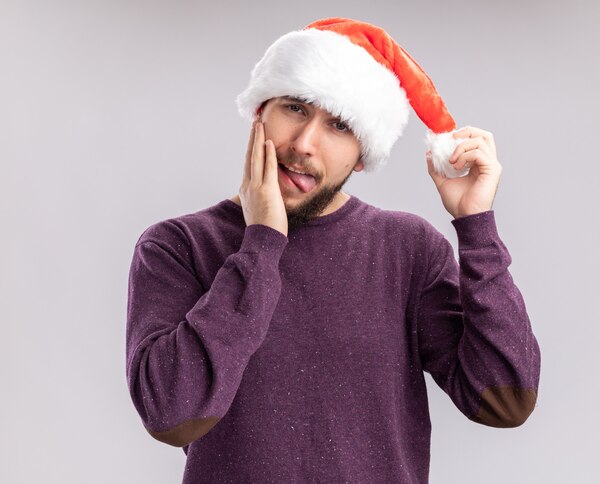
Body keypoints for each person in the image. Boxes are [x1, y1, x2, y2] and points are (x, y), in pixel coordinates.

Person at [125, 17, 541, 483]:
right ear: (261, 110)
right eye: (295, 108)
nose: (304, 145)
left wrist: (475, 226)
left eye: (339, 125)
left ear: (362, 154)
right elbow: (169, 414)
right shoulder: (176, 247)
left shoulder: (408, 251)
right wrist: (261, 244)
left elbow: (505, 400)